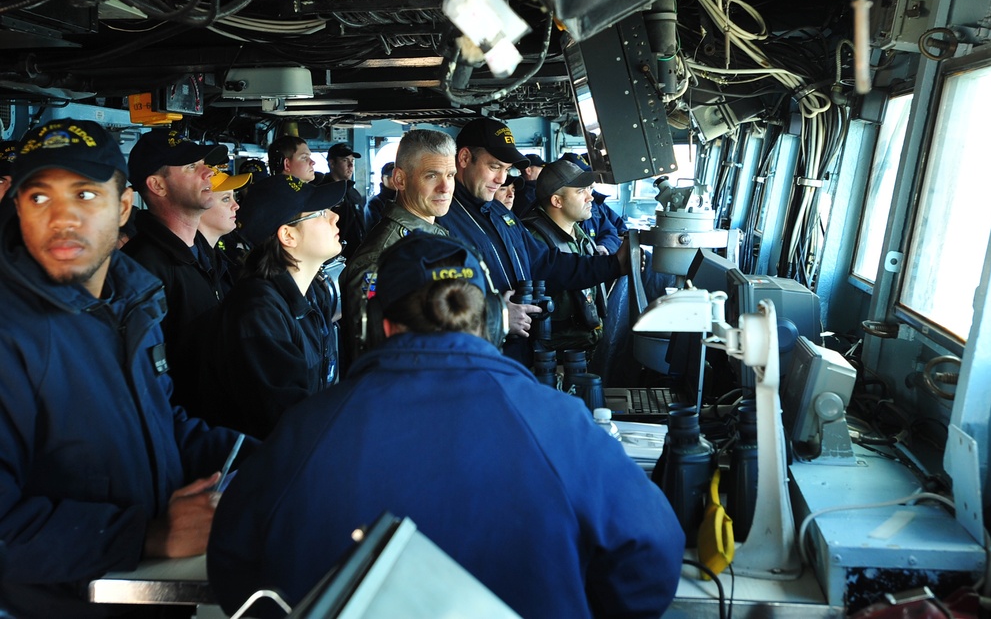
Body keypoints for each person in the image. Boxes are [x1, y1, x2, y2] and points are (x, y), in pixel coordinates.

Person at [207, 233, 684, 619]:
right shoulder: (562, 424)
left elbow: (234, 572)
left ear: (380, 326)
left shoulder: (305, 429)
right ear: (491, 321)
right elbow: (652, 554)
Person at [0, 118, 252, 618]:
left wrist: (273, 461)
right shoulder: (12, 333)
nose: (62, 219)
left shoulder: (131, 301)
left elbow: (158, 423)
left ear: (123, 207)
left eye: (85, 195)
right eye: (39, 198)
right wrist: (151, 534)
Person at [437, 117, 629, 366]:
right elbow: (434, 304)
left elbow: (544, 263)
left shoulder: (499, 212)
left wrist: (614, 265)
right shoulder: (442, 218)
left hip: (518, 355)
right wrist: (498, 315)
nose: (501, 179)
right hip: (476, 360)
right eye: (495, 167)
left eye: (507, 170)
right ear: (463, 159)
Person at [201, 174, 346, 439]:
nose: (335, 217)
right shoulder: (256, 313)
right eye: (322, 213)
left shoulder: (314, 292)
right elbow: (285, 419)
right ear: (288, 235)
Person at [122, 129, 230, 415]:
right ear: (157, 185)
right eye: (192, 166)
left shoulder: (205, 252)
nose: (209, 172)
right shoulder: (142, 268)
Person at [340, 129, 454, 369]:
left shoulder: (436, 236)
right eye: (432, 176)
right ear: (400, 180)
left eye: (450, 175)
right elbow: (370, 352)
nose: (445, 187)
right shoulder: (380, 257)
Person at [523, 159, 606, 356]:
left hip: (583, 344)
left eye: (588, 190)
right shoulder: (535, 241)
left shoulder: (578, 232)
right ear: (557, 201)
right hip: (556, 354)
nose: (590, 197)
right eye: (580, 191)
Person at [559, 152, 626, 254]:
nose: (590, 197)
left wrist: (605, 247)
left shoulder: (594, 205)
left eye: (589, 188)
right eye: (581, 190)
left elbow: (611, 230)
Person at [198, 168, 252, 292]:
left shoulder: (214, 256)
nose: (236, 206)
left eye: (234, 197)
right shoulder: (193, 262)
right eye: (226, 199)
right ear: (199, 205)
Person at [324, 142, 366, 258]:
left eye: (352, 161)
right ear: (332, 163)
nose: (351, 166)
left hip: (357, 255)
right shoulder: (323, 193)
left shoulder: (354, 193)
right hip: (335, 258)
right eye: (345, 160)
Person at [364, 160, 396, 230]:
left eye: (397, 176)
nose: (394, 179)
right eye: (390, 176)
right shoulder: (374, 204)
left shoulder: (404, 201)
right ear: (382, 178)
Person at [511, 152, 543, 217]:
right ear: (528, 170)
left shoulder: (520, 188)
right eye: (540, 169)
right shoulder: (528, 194)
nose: (543, 172)